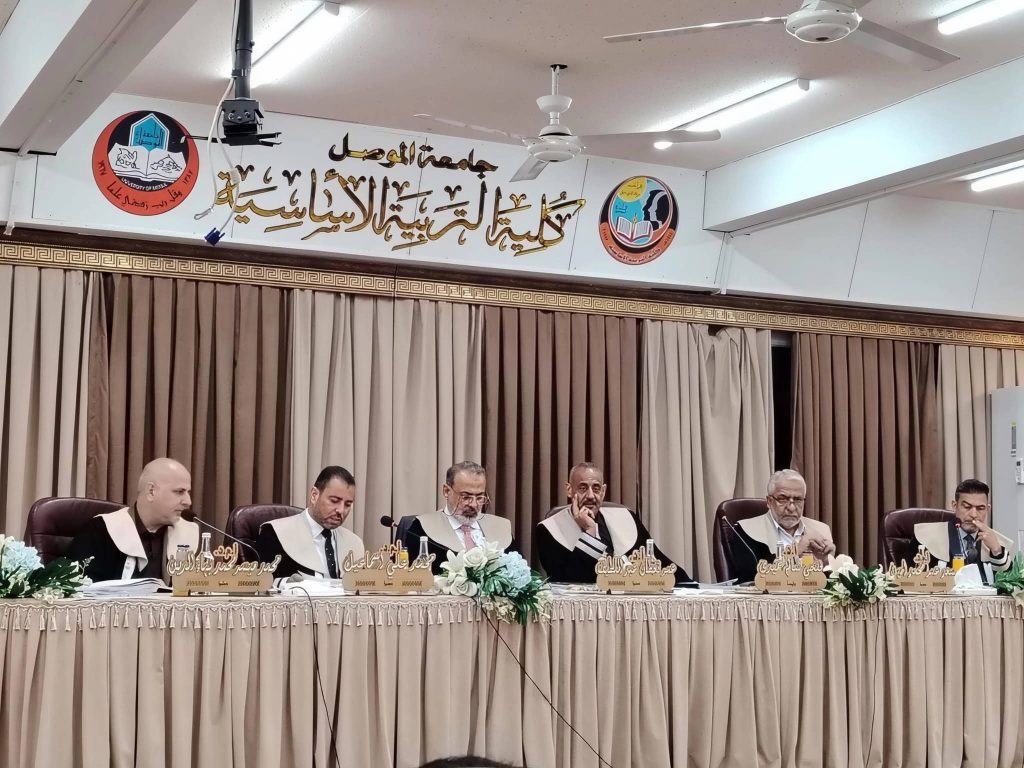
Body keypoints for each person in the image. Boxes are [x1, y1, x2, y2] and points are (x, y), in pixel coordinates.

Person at [535, 462, 692, 585]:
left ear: (603, 491)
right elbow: (568, 581)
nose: (590, 496)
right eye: (583, 488)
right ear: (569, 490)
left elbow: (658, 562)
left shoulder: (626, 517)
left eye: (596, 488)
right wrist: (590, 532)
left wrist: (689, 585)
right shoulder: (548, 529)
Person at [67, 458, 199, 583]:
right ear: (151, 491)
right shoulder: (100, 530)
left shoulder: (189, 534)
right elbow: (77, 589)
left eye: (188, 492)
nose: (188, 502)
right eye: (179, 491)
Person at [402, 461, 515, 574]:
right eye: (466, 497)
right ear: (446, 491)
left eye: (480, 497)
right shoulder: (420, 529)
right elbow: (410, 577)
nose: (474, 505)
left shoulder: (501, 528)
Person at [256, 465, 365, 580]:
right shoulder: (275, 533)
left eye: (347, 504)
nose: (341, 510)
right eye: (334, 501)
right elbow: (260, 582)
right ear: (314, 495)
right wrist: (284, 583)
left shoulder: (355, 543)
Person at [727, 469, 835, 583]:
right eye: (783, 499)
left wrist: (826, 563)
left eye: (798, 499)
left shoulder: (821, 530)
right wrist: (797, 550)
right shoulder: (746, 530)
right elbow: (751, 579)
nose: (791, 508)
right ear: (769, 501)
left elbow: (829, 586)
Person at [912, 478, 1013, 580]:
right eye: (967, 507)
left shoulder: (997, 543)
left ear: (988, 509)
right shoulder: (925, 536)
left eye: (980, 508)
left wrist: (996, 551)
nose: (973, 515)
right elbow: (910, 579)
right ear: (954, 506)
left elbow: (1008, 583)